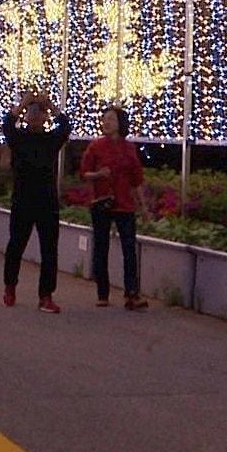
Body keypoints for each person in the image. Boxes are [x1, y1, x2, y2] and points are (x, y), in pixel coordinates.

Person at [1, 89, 72, 313]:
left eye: (38, 113)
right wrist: (24, 103)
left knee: (49, 249)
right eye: (31, 113)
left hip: (47, 201)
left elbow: (66, 126)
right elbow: (7, 124)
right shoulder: (18, 138)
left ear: (44, 117)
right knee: (16, 246)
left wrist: (48, 104)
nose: (34, 116)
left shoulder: (51, 140)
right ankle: (10, 285)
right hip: (22, 199)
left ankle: (46, 295)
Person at [79, 105, 148, 310]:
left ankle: (132, 294)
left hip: (124, 205)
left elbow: (136, 180)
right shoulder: (96, 146)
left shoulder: (129, 148)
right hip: (102, 203)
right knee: (101, 248)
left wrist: (143, 207)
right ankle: (102, 293)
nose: (106, 123)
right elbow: (84, 173)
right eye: (104, 119)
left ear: (120, 123)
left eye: (111, 119)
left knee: (129, 249)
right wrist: (98, 175)